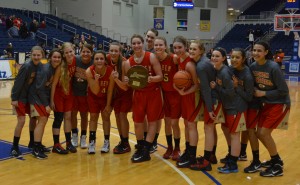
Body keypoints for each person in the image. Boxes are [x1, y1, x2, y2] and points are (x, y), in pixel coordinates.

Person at [249, 41, 290, 177]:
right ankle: (276, 159)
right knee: (259, 133)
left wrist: (264, 93)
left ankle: (277, 167)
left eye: (259, 50)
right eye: (254, 50)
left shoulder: (273, 67)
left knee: (264, 133)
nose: (255, 53)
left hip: (279, 102)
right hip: (266, 104)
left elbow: (283, 90)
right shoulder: (253, 66)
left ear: (266, 52)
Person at [124, 34, 163, 163]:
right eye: (134, 43)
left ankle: (146, 150)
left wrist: (152, 79)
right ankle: (140, 146)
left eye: (138, 43)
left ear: (142, 44)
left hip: (153, 93)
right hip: (139, 94)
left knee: (152, 122)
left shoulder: (150, 56)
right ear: (131, 45)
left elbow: (160, 76)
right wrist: (127, 81)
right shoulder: (128, 62)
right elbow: (131, 83)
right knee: (137, 123)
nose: (136, 45)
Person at [210, 47, 247, 173]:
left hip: (235, 107)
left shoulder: (225, 73)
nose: (214, 58)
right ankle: (231, 156)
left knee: (235, 135)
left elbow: (230, 93)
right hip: (229, 106)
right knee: (228, 131)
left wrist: (216, 88)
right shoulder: (220, 70)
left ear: (224, 58)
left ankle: (233, 164)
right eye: (213, 55)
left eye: (217, 56)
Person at [172, 36, 201, 169]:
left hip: (192, 97)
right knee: (186, 124)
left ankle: (192, 156)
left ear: (186, 47)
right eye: (175, 47)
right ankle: (188, 151)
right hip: (184, 96)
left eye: (180, 47)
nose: (177, 50)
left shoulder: (189, 63)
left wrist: (183, 92)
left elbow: (196, 85)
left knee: (191, 126)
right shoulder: (179, 59)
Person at [28, 49, 62, 159]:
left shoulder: (54, 69)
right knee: (42, 120)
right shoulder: (46, 69)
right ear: (50, 58)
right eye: (54, 57)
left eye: (59, 57)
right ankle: (36, 148)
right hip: (36, 97)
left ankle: (37, 144)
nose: (56, 59)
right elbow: (39, 89)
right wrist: (46, 104)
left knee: (43, 121)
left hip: (41, 97)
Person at [10, 46, 43, 158]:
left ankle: (32, 142)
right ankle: (14, 146)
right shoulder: (27, 66)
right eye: (34, 55)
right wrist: (14, 98)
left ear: (42, 56)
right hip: (20, 98)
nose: (36, 57)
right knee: (21, 121)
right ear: (30, 55)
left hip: (30, 97)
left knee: (33, 119)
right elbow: (18, 82)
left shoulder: (39, 66)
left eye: (38, 55)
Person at [154, 37, 181, 161]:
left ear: (165, 46)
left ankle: (177, 148)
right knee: (167, 122)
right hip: (163, 94)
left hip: (174, 94)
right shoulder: (154, 59)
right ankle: (169, 147)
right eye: (156, 45)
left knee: (174, 123)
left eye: (160, 45)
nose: (158, 47)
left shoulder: (173, 59)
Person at [193, 40, 219, 170]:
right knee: (212, 129)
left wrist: (209, 109)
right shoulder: (204, 61)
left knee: (208, 129)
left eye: (194, 49)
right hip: (214, 98)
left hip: (212, 100)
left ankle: (206, 161)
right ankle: (212, 155)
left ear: (201, 51)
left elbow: (206, 89)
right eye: (190, 49)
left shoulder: (201, 66)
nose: (191, 51)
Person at [86, 50, 115, 154]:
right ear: (93, 61)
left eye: (101, 59)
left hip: (105, 98)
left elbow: (110, 90)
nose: (99, 61)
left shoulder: (110, 71)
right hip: (93, 97)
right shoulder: (89, 71)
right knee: (93, 118)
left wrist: (108, 105)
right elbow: (95, 90)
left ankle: (106, 142)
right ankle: (92, 142)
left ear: (105, 60)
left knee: (106, 117)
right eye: (96, 59)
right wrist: (96, 80)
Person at [50, 42, 77, 154]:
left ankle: (68, 143)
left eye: (70, 51)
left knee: (68, 117)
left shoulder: (76, 60)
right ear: (64, 54)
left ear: (73, 51)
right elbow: (54, 84)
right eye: (67, 53)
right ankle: (56, 145)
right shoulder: (61, 66)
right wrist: (51, 100)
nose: (69, 54)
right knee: (58, 118)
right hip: (59, 95)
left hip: (69, 93)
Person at [230, 48, 255, 163]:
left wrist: (236, 87)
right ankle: (240, 153)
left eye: (237, 57)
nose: (234, 59)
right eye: (232, 57)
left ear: (244, 59)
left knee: (245, 130)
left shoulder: (247, 75)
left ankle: (243, 153)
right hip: (237, 104)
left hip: (250, 104)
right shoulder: (231, 70)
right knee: (241, 130)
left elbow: (249, 97)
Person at [108, 42, 133, 154]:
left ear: (120, 52)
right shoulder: (107, 59)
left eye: (116, 51)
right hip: (115, 93)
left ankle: (126, 143)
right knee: (117, 116)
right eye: (111, 50)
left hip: (125, 92)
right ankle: (122, 140)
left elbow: (125, 87)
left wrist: (116, 79)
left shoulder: (124, 63)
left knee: (122, 115)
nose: (113, 53)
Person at [70, 44, 93, 149]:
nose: (85, 53)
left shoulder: (94, 63)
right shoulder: (76, 60)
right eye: (84, 51)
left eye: (88, 52)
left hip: (85, 94)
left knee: (84, 116)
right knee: (72, 115)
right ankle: (74, 135)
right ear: (80, 52)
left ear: (91, 53)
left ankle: (83, 136)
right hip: (74, 93)